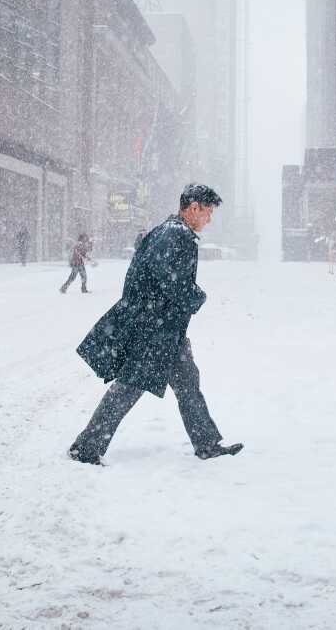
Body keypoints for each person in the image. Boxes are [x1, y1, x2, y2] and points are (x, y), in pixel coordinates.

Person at [69, 184, 244, 464]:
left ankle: (207, 444)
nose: (209, 219)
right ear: (194, 207)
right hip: (155, 330)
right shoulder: (176, 235)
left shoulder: (169, 231)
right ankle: (86, 448)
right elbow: (170, 281)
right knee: (128, 387)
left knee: (188, 383)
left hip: (164, 329)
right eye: (208, 212)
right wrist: (197, 297)